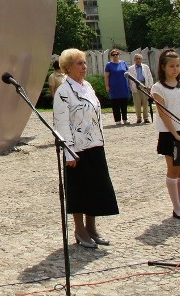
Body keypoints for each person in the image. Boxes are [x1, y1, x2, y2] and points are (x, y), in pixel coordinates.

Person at [53, 48, 119, 248]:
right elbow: (61, 123)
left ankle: (92, 227)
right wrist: (69, 151)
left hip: (95, 144)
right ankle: (80, 230)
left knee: (96, 187)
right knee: (79, 189)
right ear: (67, 68)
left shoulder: (87, 86)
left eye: (84, 62)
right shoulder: (64, 91)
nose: (84, 66)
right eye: (79, 63)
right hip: (77, 150)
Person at [151, 49, 180, 221]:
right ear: (163, 67)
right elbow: (163, 114)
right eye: (171, 66)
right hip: (169, 133)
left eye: (178, 66)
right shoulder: (158, 88)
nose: (175, 69)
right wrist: (176, 136)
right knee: (173, 169)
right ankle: (176, 208)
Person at [104, 49, 131, 125]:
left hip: (123, 86)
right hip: (114, 87)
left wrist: (130, 84)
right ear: (111, 56)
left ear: (119, 55)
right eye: (113, 55)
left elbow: (128, 74)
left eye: (116, 54)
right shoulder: (109, 65)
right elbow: (106, 76)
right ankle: (117, 120)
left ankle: (125, 118)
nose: (115, 56)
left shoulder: (123, 63)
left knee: (124, 103)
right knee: (115, 104)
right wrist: (107, 86)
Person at [128, 54, 154, 124]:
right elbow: (129, 79)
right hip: (135, 85)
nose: (138, 60)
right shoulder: (130, 68)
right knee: (137, 103)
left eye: (139, 58)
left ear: (141, 59)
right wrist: (131, 87)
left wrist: (150, 86)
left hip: (144, 85)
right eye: (136, 58)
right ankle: (139, 118)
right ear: (134, 60)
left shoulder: (145, 67)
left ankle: (146, 118)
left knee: (145, 102)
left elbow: (149, 77)